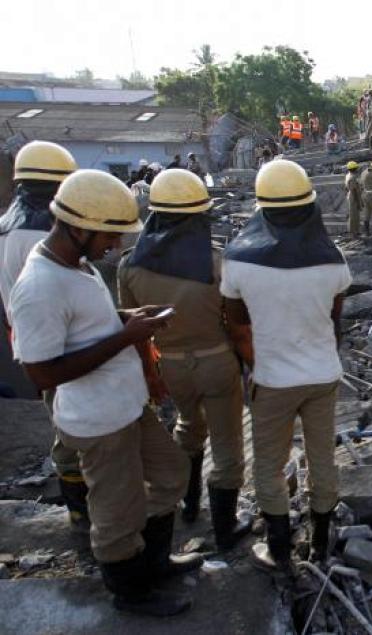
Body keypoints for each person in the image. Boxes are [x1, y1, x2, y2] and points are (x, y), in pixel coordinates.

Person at [11, 169, 201, 616]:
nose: (115, 245)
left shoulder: (75, 265)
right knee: (117, 510)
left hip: (126, 405)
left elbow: (85, 323)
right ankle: (130, 591)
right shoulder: (38, 286)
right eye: (109, 235)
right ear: (78, 228)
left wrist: (128, 317)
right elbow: (42, 374)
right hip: (97, 420)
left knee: (170, 472)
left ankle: (153, 561)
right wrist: (125, 337)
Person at [220, 160, 350, 574]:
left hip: (273, 380)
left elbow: (236, 325)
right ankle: (320, 544)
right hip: (323, 376)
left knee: (269, 464)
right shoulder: (334, 261)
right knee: (322, 458)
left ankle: (278, 551)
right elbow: (334, 320)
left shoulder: (238, 262)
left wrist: (258, 364)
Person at [117, 169, 251, 552]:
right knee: (227, 444)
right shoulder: (216, 263)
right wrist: (251, 365)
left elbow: (134, 330)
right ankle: (225, 529)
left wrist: (150, 375)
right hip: (216, 362)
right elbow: (236, 324)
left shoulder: (130, 267)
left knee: (188, 426)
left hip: (171, 365)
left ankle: (189, 505)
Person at [0, 141, 88, 531]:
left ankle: (81, 508)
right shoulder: (46, 236)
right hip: (62, 346)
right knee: (71, 430)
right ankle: (84, 513)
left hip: (28, 341)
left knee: (62, 420)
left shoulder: (7, 226)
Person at [344, 161, 364, 238]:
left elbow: (346, 188)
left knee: (355, 215)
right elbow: (354, 191)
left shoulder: (348, 175)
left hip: (351, 196)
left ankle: (356, 231)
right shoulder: (352, 178)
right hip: (353, 198)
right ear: (354, 169)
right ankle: (354, 232)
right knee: (354, 216)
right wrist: (358, 202)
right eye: (356, 168)